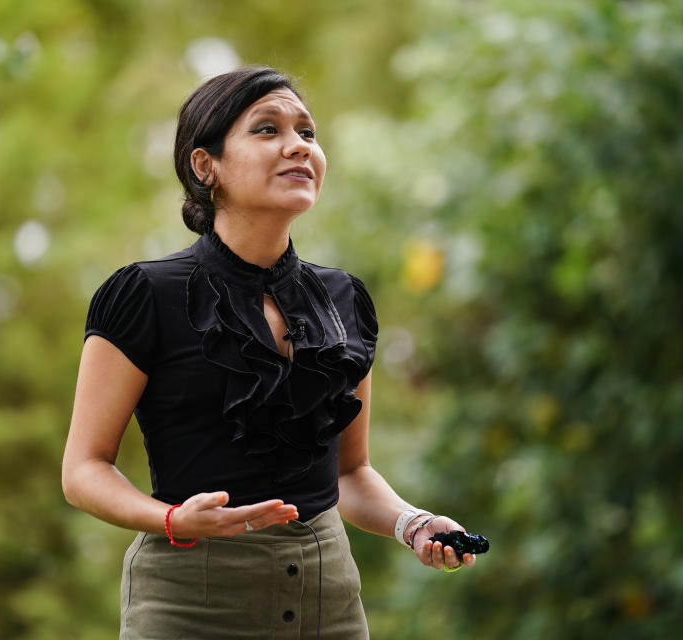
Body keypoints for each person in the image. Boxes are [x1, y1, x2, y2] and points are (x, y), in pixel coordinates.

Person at [61, 66, 477, 639]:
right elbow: (83, 469)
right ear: (206, 166)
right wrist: (174, 519)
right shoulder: (144, 295)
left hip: (327, 602)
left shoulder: (345, 300)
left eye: (307, 132)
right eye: (266, 129)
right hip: (190, 603)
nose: (298, 146)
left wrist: (415, 524)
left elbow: (350, 472)